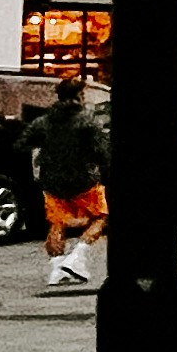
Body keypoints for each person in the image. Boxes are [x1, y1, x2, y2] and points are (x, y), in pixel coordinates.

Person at [30, 77, 110, 289]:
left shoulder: (44, 120)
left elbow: (23, 142)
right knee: (101, 217)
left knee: (57, 222)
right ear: (78, 96)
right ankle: (78, 255)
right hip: (83, 178)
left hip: (52, 180)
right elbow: (101, 151)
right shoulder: (87, 120)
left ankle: (57, 267)